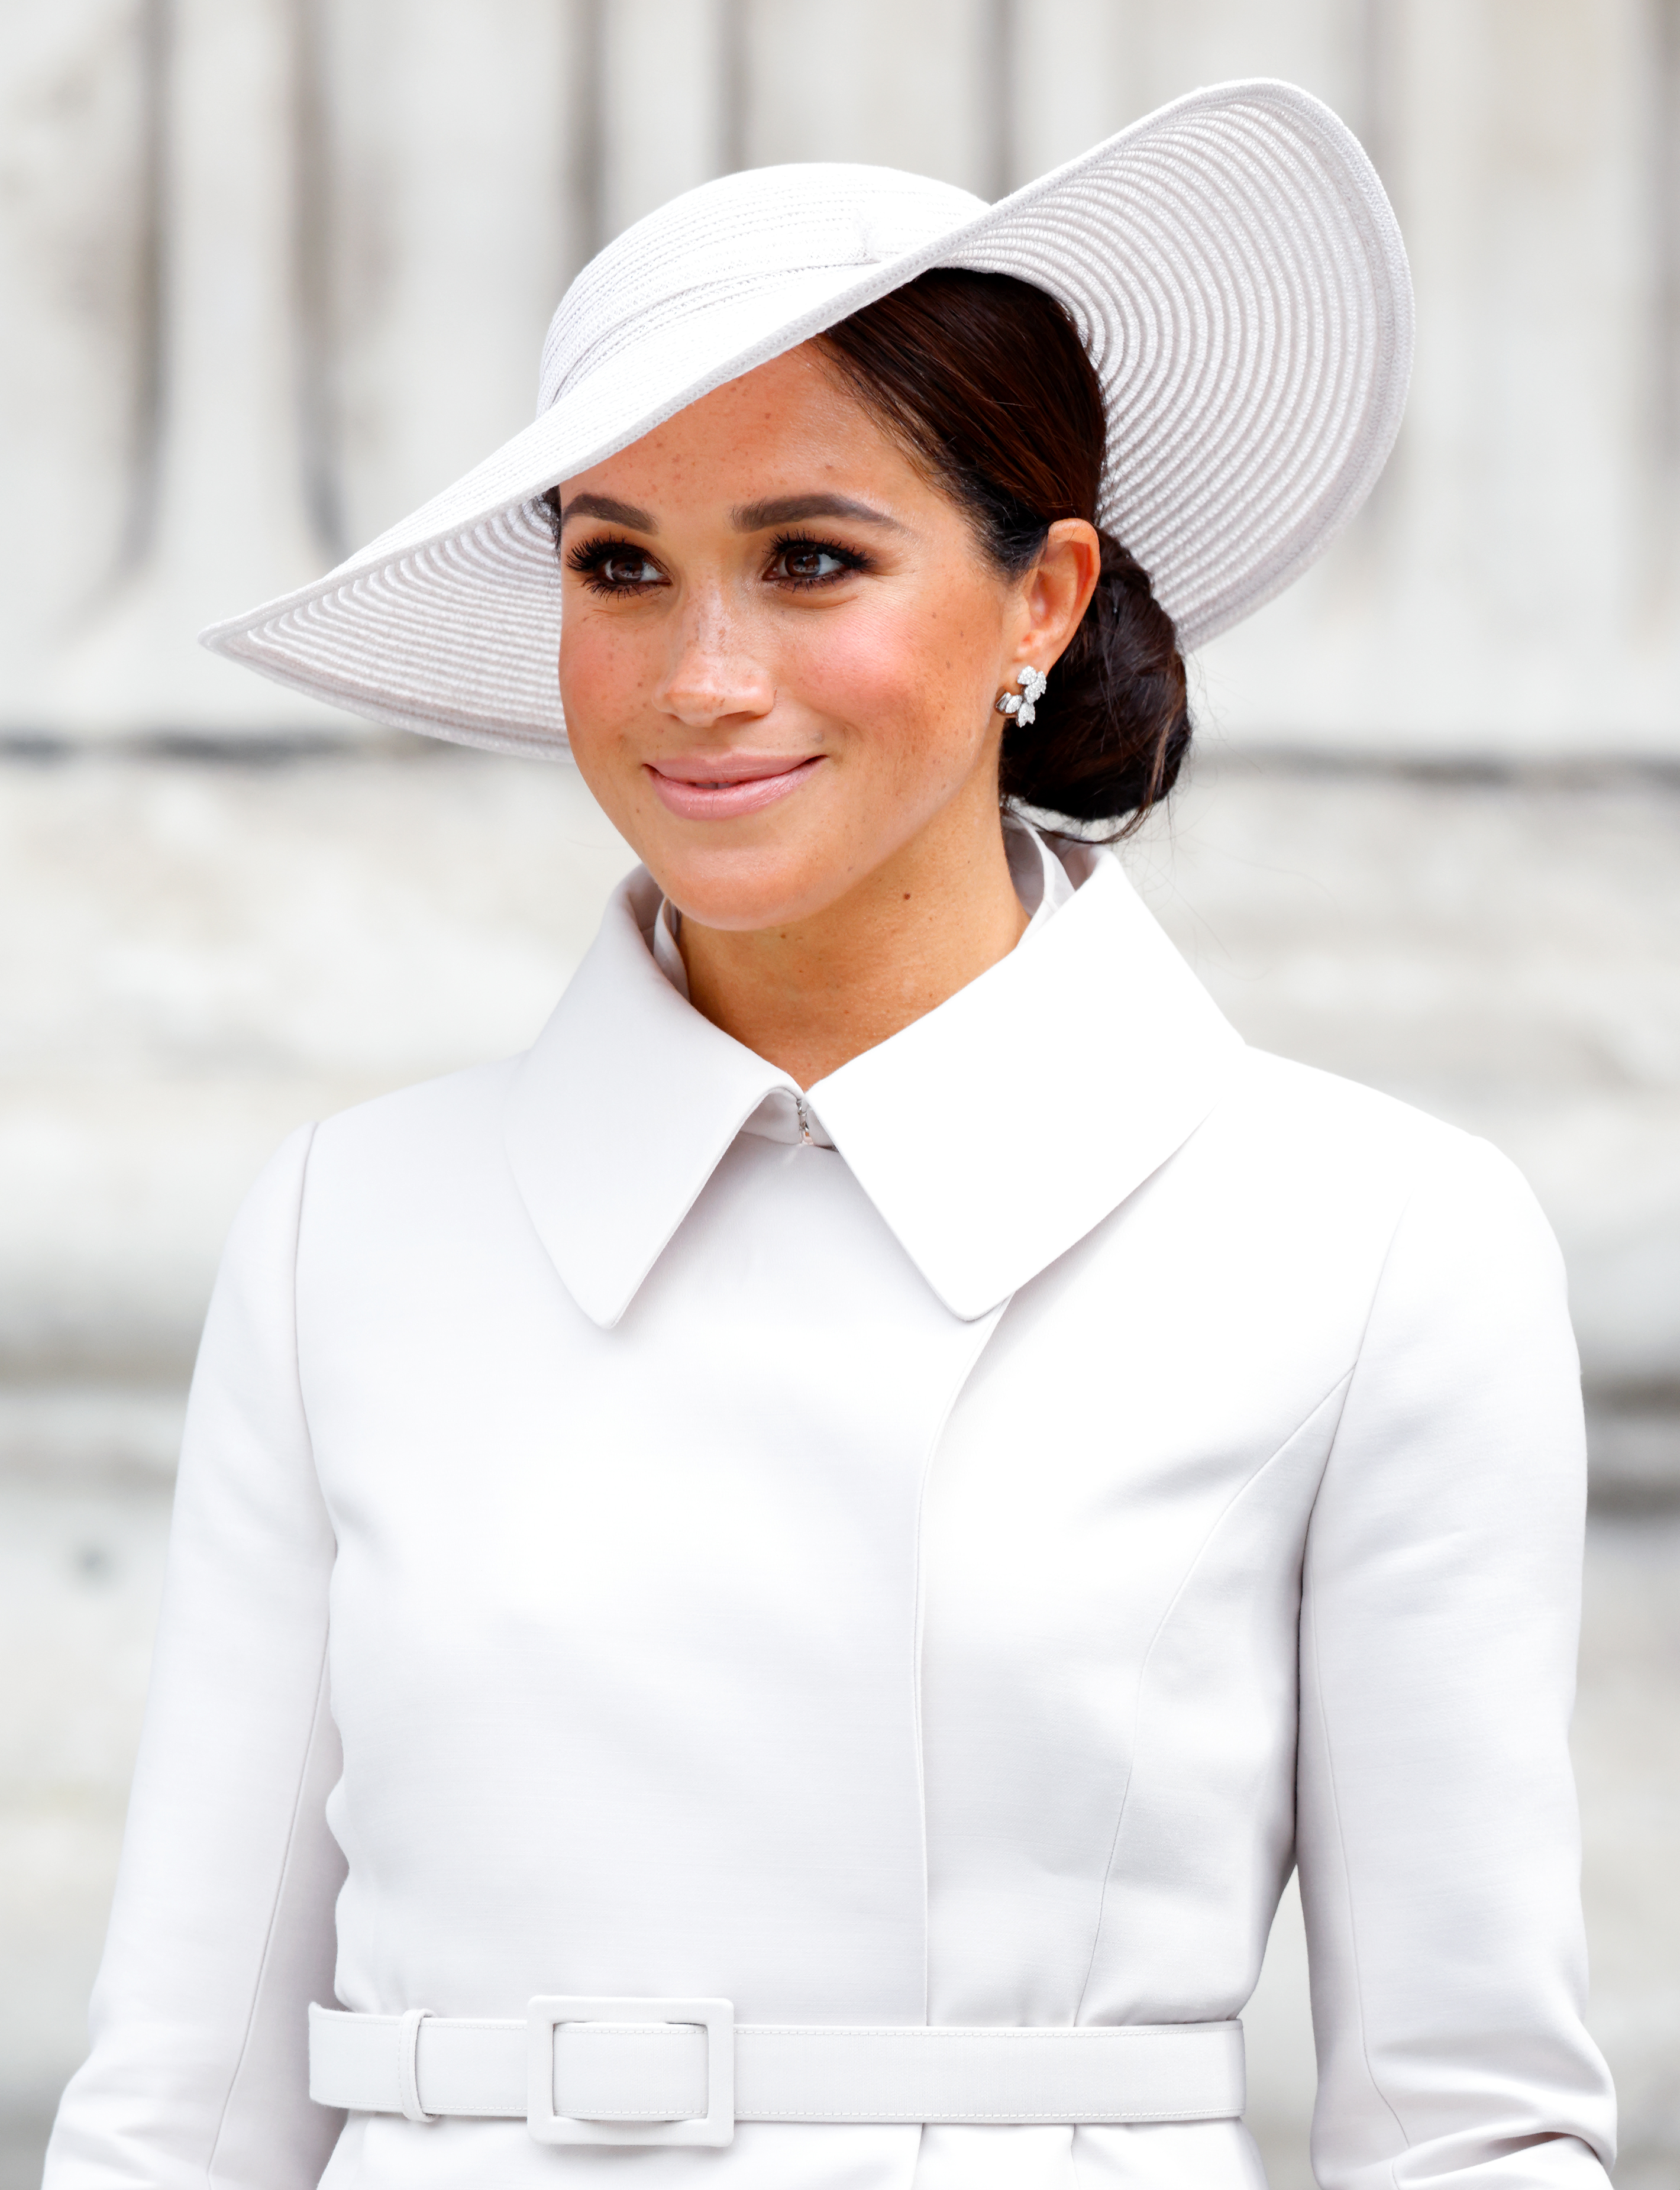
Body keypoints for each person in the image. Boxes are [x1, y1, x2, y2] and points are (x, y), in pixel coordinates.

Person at [46, 79, 1615, 2190]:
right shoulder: (353, 1233)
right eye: (622, 568)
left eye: (810, 560)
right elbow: (181, 2101)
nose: (701, 678)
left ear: (1043, 602)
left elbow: (1467, 2129)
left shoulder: (1374, 1244)